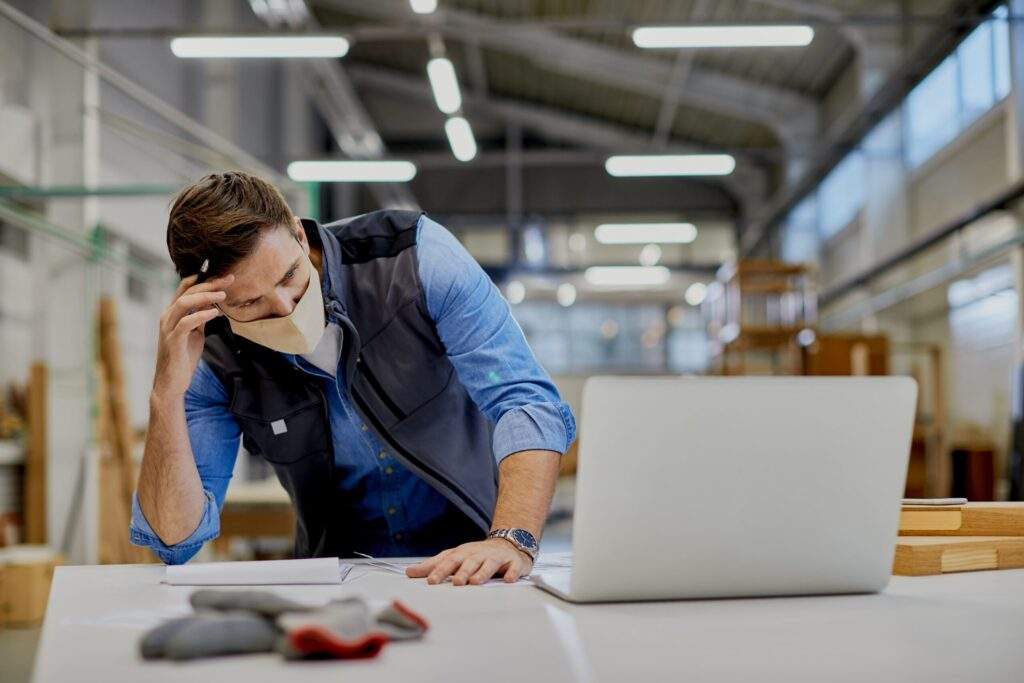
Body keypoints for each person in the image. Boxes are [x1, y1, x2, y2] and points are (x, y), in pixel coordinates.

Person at [130, 171, 576, 586]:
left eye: (290, 276)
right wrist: (166, 395)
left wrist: (510, 538)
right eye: (250, 304)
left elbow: (524, 400)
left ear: (299, 235)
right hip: (338, 582)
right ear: (206, 302)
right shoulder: (213, 356)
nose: (285, 307)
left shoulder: (415, 260)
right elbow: (176, 540)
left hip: (475, 565)